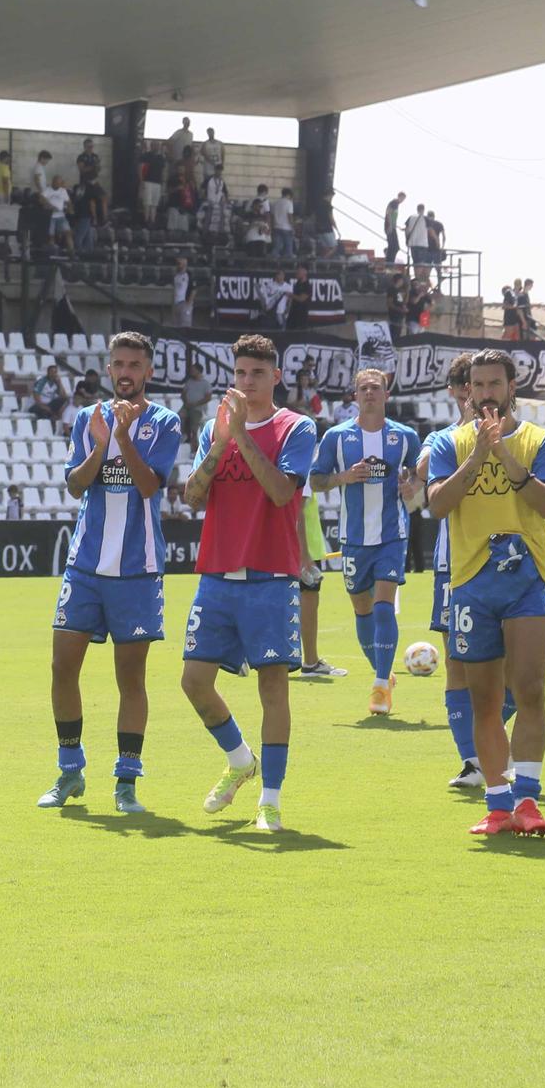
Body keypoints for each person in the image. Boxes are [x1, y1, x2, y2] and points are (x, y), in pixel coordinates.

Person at [38, 333, 183, 813]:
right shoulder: (88, 418)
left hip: (137, 571)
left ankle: (126, 782)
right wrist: (101, 446)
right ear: (108, 366)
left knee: (131, 678)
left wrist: (123, 437)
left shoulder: (164, 422)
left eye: (135, 364)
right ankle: (70, 770)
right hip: (85, 567)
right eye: (119, 363)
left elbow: (147, 486)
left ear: (148, 371)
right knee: (62, 667)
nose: (126, 371)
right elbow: (76, 486)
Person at [179, 335, 317, 832]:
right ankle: (240, 758)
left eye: (256, 373)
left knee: (273, 689)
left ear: (274, 377)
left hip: (270, 576)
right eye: (239, 373)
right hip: (216, 572)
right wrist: (220, 441)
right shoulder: (216, 428)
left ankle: (271, 800)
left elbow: (282, 493)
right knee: (194, 681)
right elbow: (193, 496)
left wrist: (242, 436)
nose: (246, 382)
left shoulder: (296, 428)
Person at [426, 349, 545, 837]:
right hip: (469, 584)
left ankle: (528, 800)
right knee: (484, 703)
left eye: (495, 384)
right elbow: (438, 506)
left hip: (527, 581)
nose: (486, 393)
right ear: (467, 391)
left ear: (511, 389)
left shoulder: (540, 441)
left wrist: (502, 454)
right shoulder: (449, 443)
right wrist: (478, 455)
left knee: (529, 691)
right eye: (478, 385)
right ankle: (498, 805)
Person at [421, 353, 510, 789]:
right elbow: (425, 481)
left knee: (513, 672)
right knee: (458, 665)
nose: (471, 395)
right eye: (464, 387)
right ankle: (473, 761)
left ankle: (491, 738)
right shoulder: (444, 439)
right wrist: (469, 441)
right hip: (452, 564)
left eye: (476, 385)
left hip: (513, 565)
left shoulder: (520, 437)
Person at [311, 369, 423, 715]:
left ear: (386, 395)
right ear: (355, 396)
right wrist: (343, 477)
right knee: (362, 607)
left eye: (376, 388)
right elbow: (315, 481)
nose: (370, 393)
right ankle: (385, 673)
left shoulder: (404, 436)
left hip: (392, 534)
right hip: (354, 537)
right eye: (364, 388)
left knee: (383, 604)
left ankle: (378, 687)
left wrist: (413, 486)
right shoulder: (336, 437)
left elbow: (422, 472)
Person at [296, 495, 348, 679]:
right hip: (304, 548)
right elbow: (297, 508)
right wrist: (304, 555)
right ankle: (310, 662)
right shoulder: (302, 466)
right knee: (307, 602)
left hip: (306, 546)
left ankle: (310, 661)